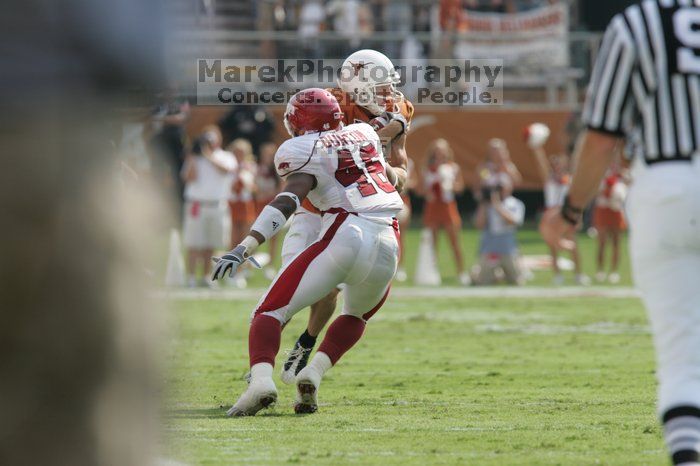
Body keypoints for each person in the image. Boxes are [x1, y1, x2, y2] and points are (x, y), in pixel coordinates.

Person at [540, 1, 700, 464]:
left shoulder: (637, 24)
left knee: (682, 355)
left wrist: (570, 212)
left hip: (667, 187)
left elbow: (603, 136)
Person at [212, 88, 403, 416]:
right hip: (389, 238)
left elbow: (288, 201)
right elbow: (390, 176)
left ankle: (260, 381)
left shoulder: (300, 149)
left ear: (297, 124)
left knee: (267, 312)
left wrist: (247, 245)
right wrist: (397, 121)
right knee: (355, 315)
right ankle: (312, 373)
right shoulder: (364, 133)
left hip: (348, 231)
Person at [279, 49, 413, 384]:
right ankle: (262, 357)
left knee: (330, 289)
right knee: (286, 290)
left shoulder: (399, 110)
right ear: (359, 84)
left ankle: (306, 342)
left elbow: (403, 169)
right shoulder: (329, 104)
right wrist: (371, 138)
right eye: (382, 87)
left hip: (353, 213)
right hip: (315, 209)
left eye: (389, 87)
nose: (390, 95)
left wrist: (387, 172)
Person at [527, 125, 590, 285]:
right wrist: (537, 148)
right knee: (553, 244)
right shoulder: (549, 179)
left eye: (560, 162)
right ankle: (558, 275)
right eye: (555, 162)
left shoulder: (569, 179)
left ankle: (578, 274)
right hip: (551, 213)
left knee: (572, 242)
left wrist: (578, 215)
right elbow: (540, 162)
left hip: (566, 212)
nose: (557, 164)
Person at [181, 130, 236, 288]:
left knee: (210, 244)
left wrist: (208, 155)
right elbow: (189, 178)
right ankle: (190, 277)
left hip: (217, 204)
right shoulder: (195, 158)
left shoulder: (225, 156)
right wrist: (192, 157)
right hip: (197, 204)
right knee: (193, 242)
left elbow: (226, 170)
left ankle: (205, 276)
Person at [421, 138, 470, 286]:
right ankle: (432, 273)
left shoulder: (453, 167)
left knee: (454, 241)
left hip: (448, 206)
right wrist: (428, 191)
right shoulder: (427, 168)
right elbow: (421, 189)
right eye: (437, 150)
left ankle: (461, 272)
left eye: (442, 150)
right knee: (432, 243)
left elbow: (460, 187)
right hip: (433, 206)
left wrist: (450, 186)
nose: (440, 153)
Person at [473, 175, 525, 285]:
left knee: (516, 281)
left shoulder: (515, 203)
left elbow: (513, 221)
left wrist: (497, 205)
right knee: (483, 281)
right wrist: (483, 203)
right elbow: (479, 225)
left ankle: (499, 274)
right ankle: (494, 274)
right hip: (489, 247)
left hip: (507, 247)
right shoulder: (487, 204)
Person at [593, 160, 628, 284]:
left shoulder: (622, 176)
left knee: (616, 243)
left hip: (616, 211)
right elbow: (594, 192)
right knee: (602, 243)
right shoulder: (599, 174)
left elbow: (627, 191)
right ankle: (600, 271)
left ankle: (614, 272)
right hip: (603, 210)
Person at [255, 142, 282, 280]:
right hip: (258, 206)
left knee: (273, 237)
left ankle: (270, 265)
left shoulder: (277, 171)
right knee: (255, 234)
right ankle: (249, 265)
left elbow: (282, 188)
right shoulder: (257, 168)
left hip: (272, 205)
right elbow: (253, 186)